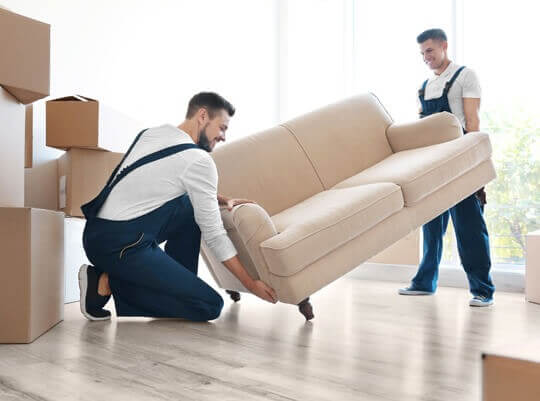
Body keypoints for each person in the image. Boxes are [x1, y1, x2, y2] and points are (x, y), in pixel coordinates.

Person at [79, 92, 277, 321]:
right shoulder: (199, 160)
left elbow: (153, 186)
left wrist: (219, 199)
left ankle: (176, 285)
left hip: (96, 235)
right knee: (209, 305)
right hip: (122, 248)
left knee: (190, 206)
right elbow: (215, 235)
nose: (223, 136)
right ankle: (105, 282)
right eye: (222, 127)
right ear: (203, 116)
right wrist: (252, 284)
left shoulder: (152, 134)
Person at [398, 28, 495, 306]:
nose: (426, 58)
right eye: (422, 53)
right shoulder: (425, 86)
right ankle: (424, 282)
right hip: (432, 163)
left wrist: (476, 165)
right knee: (431, 225)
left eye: (429, 51)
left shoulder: (465, 76)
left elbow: (473, 122)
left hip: (460, 160)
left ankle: (483, 290)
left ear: (444, 46)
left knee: (469, 226)